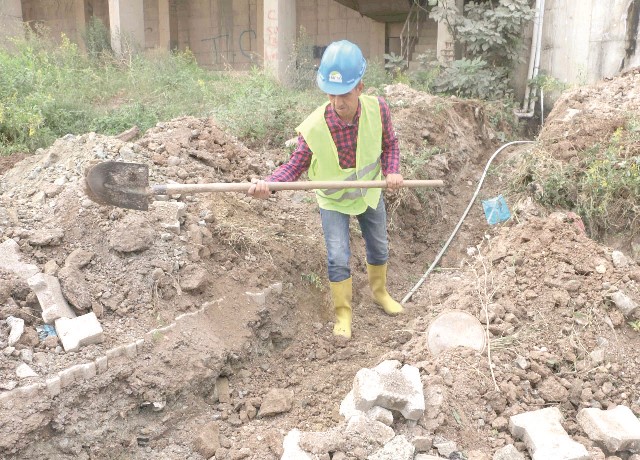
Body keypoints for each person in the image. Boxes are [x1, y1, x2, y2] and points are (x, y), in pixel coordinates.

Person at [248, 39, 404, 340]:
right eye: (331, 95)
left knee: (379, 246)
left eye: (344, 94)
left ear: (360, 87)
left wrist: (393, 170)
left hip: (370, 194)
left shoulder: (379, 109)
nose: (337, 103)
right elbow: (295, 166)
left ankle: (380, 293)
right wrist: (270, 184)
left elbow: (390, 144)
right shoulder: (315, 126)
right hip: (333, 201)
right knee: (337, 255)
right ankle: (343, 314)